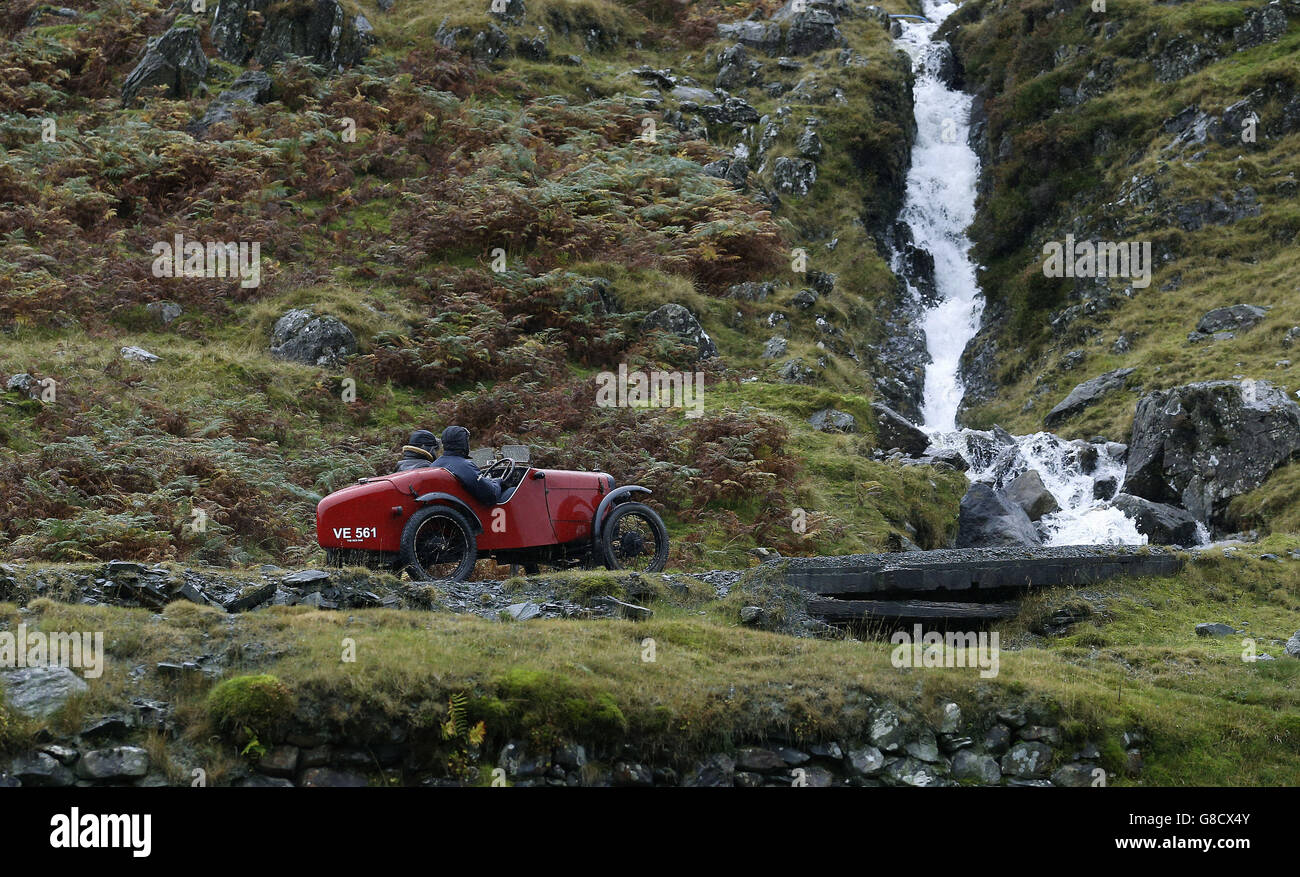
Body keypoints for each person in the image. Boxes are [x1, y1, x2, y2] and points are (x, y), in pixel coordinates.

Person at [431, 425, 503, 505]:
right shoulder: (465, 466)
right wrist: (497, 482)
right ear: (463, 443)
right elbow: (490, 496)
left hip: (448, 509)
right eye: (467, 441)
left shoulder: (433, 465)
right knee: (511, 490)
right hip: (470, 511)